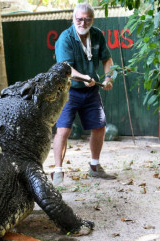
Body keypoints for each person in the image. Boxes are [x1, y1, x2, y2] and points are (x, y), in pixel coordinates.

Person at [52, 3, 116, 186]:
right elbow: (66, 69)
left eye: (87, 19)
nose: (82, 22)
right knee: (63, 130)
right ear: (73, 19)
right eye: (79, 19)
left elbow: (107, 59)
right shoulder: (66, 38)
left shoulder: (97, 35)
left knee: (99, 127)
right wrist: (83, 77)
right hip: (68, 91)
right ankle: (58, 172)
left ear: (92, 20)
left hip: (91, 89)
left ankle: (94, 167)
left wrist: (109, 77)